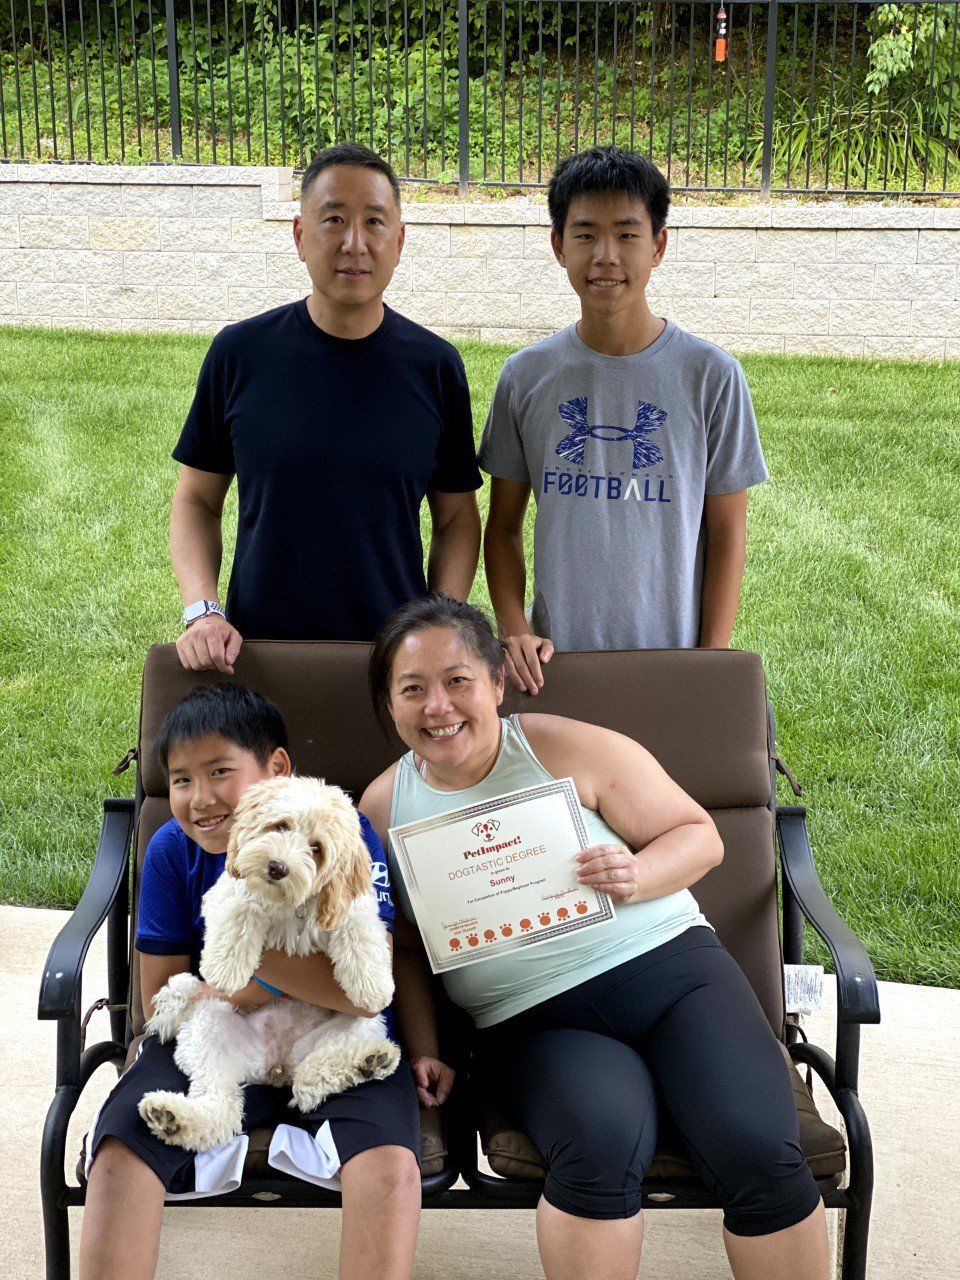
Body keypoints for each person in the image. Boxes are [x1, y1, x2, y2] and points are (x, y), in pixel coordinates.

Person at [360, 594, 829, 1280]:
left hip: (672, 977)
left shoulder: (560, 746)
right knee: (597, 1144)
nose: (439, 706)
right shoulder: (381, 807)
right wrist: (426, 1047)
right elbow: (400, 942)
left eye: (458, 681)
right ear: (390, 706)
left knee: (757, 1148)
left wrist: (636, 874)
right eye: (413, 689)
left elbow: (700, 837)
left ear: (496, 683)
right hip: (534, 1021)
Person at [78, 683, 421, 1280]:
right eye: (181, 780)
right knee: (121, 1149)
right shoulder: (170, 851)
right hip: (215, 1032)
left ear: (277, 768)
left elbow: (361, 989)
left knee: (390, 1166)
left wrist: (252, 967)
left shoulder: (342, 835)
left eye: (219, 772)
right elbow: (160, 995)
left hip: (337, 1034)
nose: (200, 799)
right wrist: (255, 982)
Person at [170, 142, 482, 675]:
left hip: (395, 662)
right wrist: (203, 610)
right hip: (259, 653)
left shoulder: (435, 367)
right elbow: (197, 501)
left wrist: (439, 622)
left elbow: (456, 517)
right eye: (333, 219)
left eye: (375, 222)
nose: (354, 243)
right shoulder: (240, 354)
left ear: (400, 240)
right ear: (299, 235)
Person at [480, 147, 768, 695]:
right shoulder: (526, 376)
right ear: (557, 246)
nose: (605, 256)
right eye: (585, 234)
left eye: (627, 234)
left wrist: (710, 660)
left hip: (671, 658)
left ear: (658, 245)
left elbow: (728, 532)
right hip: (554, 662)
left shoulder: (711, 377)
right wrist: (515, 632)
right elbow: (503, 527)